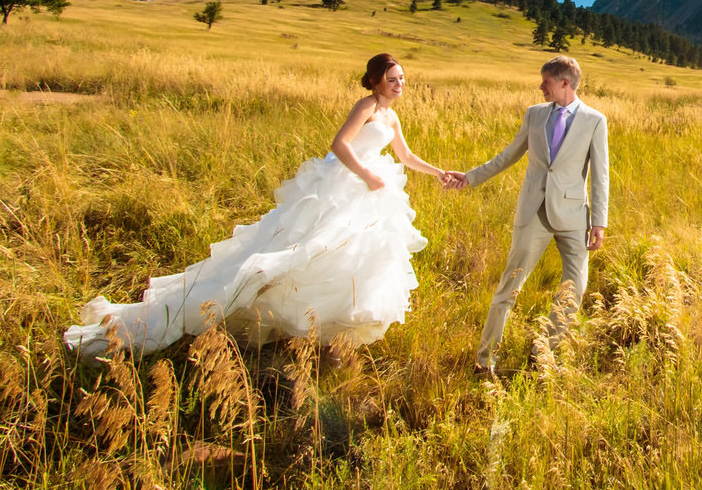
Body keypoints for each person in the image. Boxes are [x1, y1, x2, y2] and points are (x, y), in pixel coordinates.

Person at [64, 53, 451, 359]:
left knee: (353, 258)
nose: (399, 84)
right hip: (346, 184)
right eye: (392, 78)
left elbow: (407, 156)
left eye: (402, 79)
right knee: (304, 250)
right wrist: (366, 175)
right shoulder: (365, 106)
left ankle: (332, 329)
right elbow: (340, 145)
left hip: (371, 192)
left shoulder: (393, 116)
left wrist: (439, 172)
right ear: (374, 81)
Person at [451, 55, 609, 380]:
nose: (540, 87)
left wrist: (599, 222)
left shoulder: (595, 121)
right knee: (510, 286)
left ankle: (544, 352)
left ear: (565, 83)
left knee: (575, 287)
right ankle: (485, 361)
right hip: (533, 211)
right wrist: (470, 177)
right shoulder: (535, 115)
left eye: (546, 82)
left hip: (574, 215)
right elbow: (509, 155)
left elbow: (600, 175)